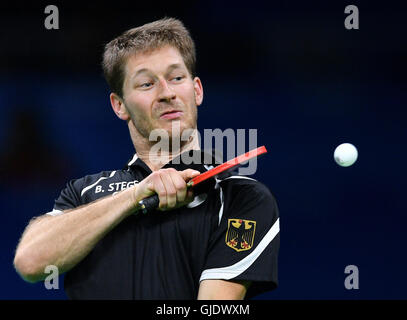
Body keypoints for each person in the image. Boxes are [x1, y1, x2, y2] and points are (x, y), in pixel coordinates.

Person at [13, 18, 280, 300]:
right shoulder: (85, 193)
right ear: (119, 106)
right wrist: (135, 197)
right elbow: (30, 262)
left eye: (177, 78)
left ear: (197, 90)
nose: (167, 93)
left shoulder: (239, 197)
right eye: (146, 84)